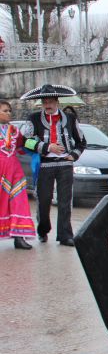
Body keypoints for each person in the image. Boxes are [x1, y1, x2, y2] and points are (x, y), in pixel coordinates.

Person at [20, 84, 85, 247]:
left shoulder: (70, 119)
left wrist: (73, 155)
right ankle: (43, 230)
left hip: (65, 164)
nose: (47, 105)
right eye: (44, 102)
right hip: (44, 164)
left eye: (50, 101)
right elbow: (25, 141)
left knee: (65, 200)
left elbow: (82, 142)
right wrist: (47, 147)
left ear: (57, 101)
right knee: (44, 200)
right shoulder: (33, 118)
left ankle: (65, 235)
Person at [0, 100, 35, 249]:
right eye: (5, 111)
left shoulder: (14, 130)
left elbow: (23, 145)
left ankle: (19, 237)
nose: (9, 113)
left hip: (14, 170)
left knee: (19, 201)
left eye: (9, 111)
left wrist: (41, 145)